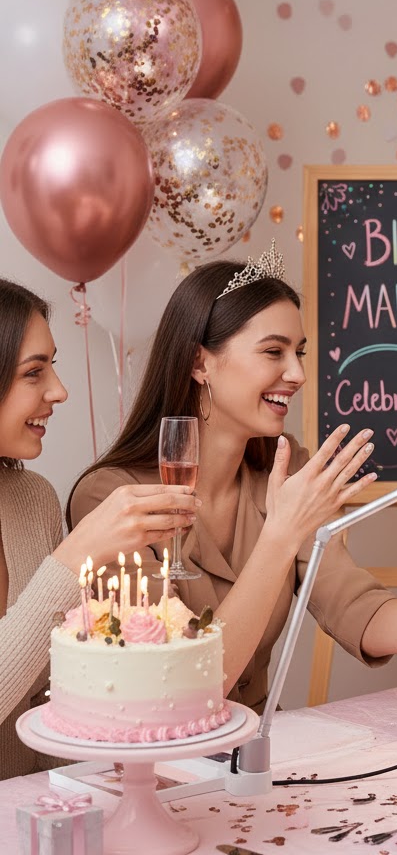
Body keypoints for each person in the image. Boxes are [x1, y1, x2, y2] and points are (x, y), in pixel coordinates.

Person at [69, 243, 397, 713]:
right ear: (200, 363)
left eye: (299, 352)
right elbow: (184, 681)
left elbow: (360, 614)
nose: (298, 374)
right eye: (273, 351)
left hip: (260, 740)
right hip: (162, 751)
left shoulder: (288, 472)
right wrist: (281, 535)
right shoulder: (111, 499)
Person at [0, 279, 196, 778]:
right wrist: (73, 557)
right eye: (33, 372)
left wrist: (121, 785)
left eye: (52, 366)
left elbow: (46, 704)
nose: (59, 390)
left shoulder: (32, 500)